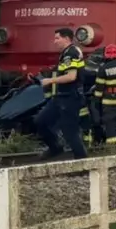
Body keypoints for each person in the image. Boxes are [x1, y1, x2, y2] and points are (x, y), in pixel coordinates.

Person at [34, 27, 88, 160]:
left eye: (57, 38)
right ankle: (55, 147)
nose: (54, 41)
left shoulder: (71, 53)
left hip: (70, 97)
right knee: (40, 121)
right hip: (60, 97)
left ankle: (82, 163)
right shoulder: (66, 53)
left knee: (70, 131)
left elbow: (71, 76)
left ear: (66, 38)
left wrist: (50, 81)